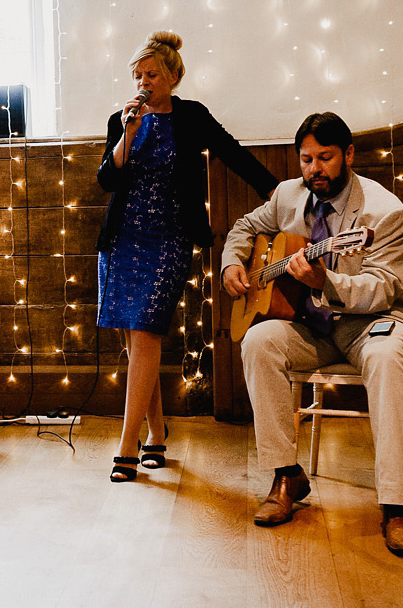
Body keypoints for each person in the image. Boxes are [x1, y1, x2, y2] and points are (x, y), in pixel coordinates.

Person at [220, 111, 403, 558]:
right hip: (310, 327)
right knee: (258, 342)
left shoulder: (386, 211)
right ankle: (286, 475)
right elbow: (245, 226)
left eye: (325, 158)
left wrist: (326, 283)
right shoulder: (287, 195)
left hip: (371, 323)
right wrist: (234, 264)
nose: (314, 169)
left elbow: (386, 287)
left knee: (388, 358)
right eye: (306, 159)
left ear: (349, 155)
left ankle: (397, 505)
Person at [97, 31, 278, 483]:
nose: (143, 82)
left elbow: (231, 151)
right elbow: (106, 180)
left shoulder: (192, 116)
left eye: (151, 74)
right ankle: (156, 433)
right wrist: (126, 135)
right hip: (122, 240)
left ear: (173, 76)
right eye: (137, 75)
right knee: (134, 342)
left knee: (147, 334)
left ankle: (126, 449)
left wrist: (274, 189)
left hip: (169, 239)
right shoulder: (122, 121)